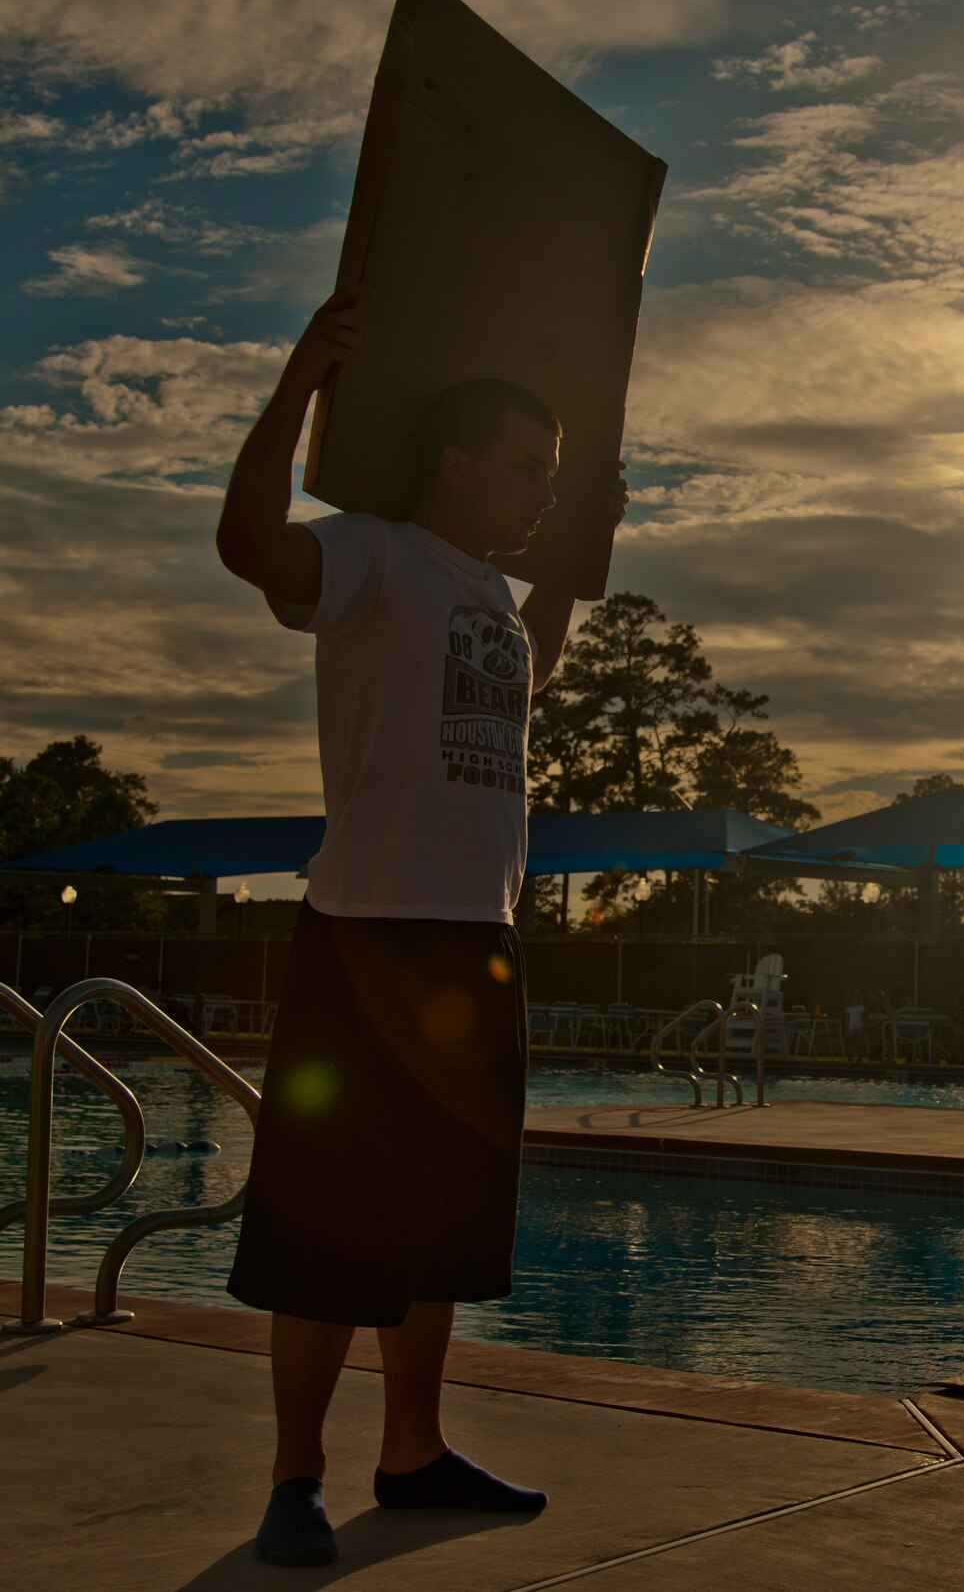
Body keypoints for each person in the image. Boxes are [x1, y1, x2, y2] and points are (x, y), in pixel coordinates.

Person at [215, 289, 628, 1566]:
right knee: (331, 1222)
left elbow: (529, 675)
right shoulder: (374, 553)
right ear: (453, 465)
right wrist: (298, 381)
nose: (542, 493)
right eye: (527, 472)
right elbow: (245, 542)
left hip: (475, 938)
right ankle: (295, 1475)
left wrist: (570, 562)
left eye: (553, 479)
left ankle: (410, 1450)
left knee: (441, 1221)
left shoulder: (492, 596)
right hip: (368, 933)